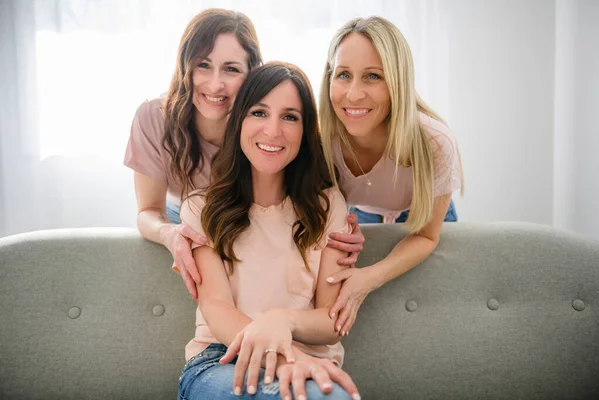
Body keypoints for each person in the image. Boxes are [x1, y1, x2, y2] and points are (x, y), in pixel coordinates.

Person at [124, 9, 363, 300]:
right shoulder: (154, 117)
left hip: (252, 217)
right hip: (184, 218)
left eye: (231, 69)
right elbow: (148, 211)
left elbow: (309, 194)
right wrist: (169, 233)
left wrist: (339, 234)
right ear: (185, 66)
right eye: (203, 65)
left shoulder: (261, 127)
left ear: (252, 73)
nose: (215, 85)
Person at [177, 62, 361, 400]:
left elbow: (332, 322)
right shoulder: (200, 207)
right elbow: (217, 309)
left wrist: (283, 321)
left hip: (309, 364)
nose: (273, 131)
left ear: (306, 131)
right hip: (222, 359)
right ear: (239, 122)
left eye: (290, 117)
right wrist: (286, 358)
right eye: (259, 113)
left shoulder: (327, 205)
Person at [319, 17, 464, 337]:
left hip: (422, 214)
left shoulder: (434, 142)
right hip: (359, 214)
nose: (353, 95)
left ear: (397, 81)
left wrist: (367, 279)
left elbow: (427, 236)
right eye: (343, 75)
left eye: (373, 76)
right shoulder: (319, 140)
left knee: (430, 315)